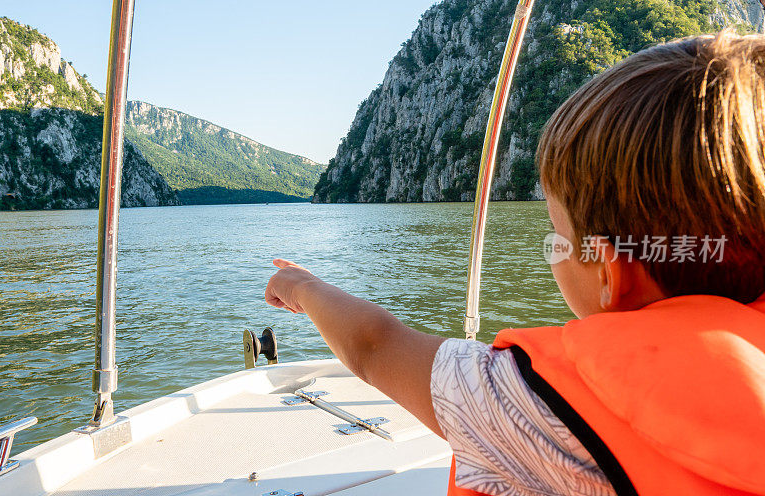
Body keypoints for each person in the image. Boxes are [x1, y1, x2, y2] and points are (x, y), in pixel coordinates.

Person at [264, 31, 765, 496]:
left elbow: (376, 347)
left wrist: (302, 286)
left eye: (557, 235)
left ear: (609, 273)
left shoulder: (528, 405)